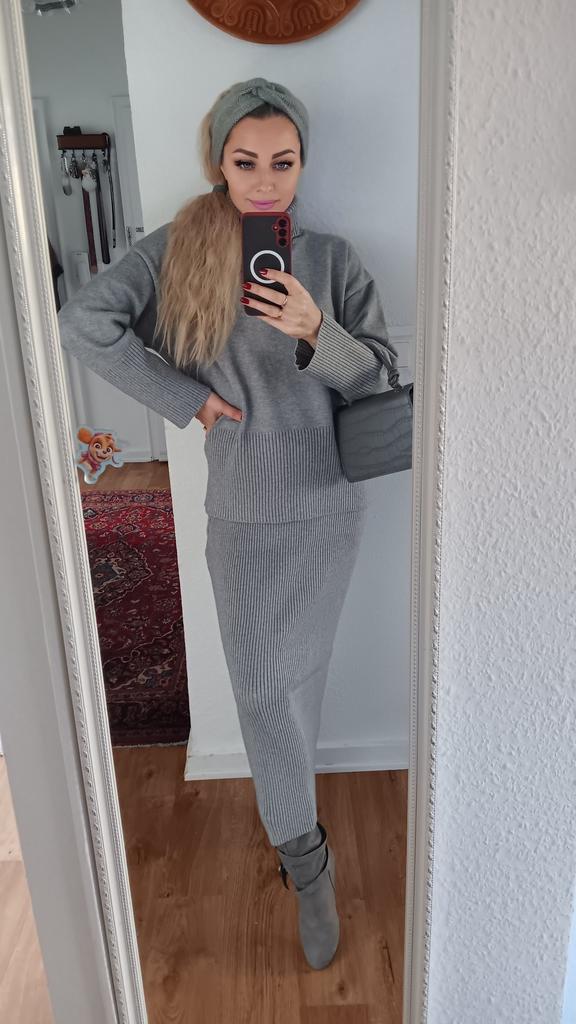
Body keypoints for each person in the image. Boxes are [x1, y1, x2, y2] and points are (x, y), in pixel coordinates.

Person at [57, 77, 399, 971]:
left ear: (303, 164)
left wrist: (316, 329)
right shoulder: (178, 250)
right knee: (261, 691)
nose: (264, 181)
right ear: (219, 162)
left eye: (283, 162)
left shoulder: (331, 259)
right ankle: (306, 860)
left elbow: (376, 378)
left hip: (329, 507)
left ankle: (294, 824)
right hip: (244, 511)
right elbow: (83, 323)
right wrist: (191, 401)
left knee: (302, 677)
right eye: (246, 162)